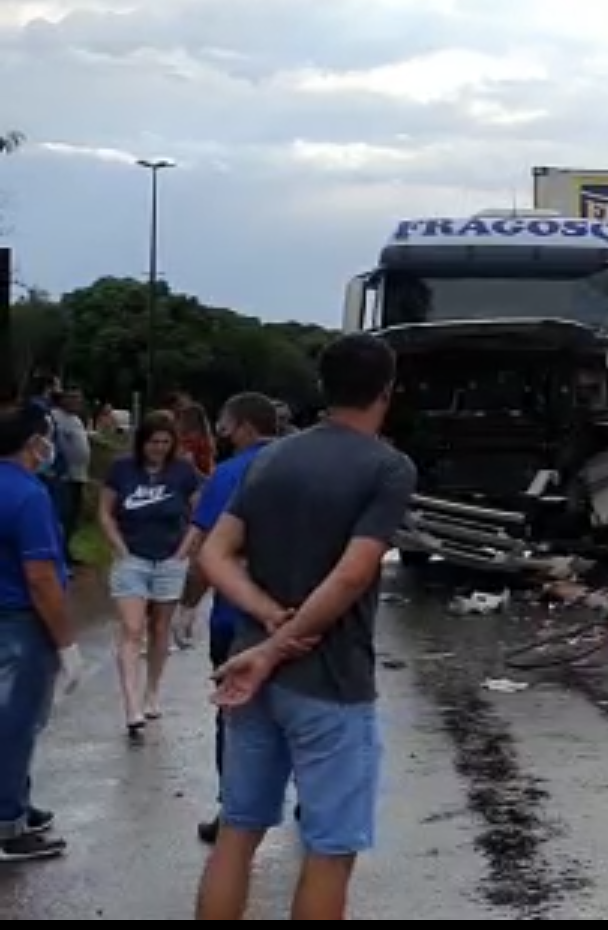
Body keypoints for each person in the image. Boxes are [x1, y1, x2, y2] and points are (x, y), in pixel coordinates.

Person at [194, 334, 417, 921]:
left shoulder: (269, 458)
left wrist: (265, 619)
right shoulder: (388, 467)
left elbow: (214, 554)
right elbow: (351, 576)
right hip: (329, 682)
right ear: (387, 392)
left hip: (249, 678)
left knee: (237, 833)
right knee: (329, 849)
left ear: (323, 388)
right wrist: (277, 644)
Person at [174, 393, 280, 845]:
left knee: (234, 714)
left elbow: (205, 547)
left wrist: (186, 604)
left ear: (241, 427)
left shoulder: (232, 473)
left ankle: (233, 811)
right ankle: (309, 804)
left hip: (237, 619)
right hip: (305, 615)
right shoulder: (306, 468)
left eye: (224, 422)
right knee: (305, 710)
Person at [0, 403, 83, 862]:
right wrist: (67, 642)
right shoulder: (29, 496)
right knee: (17, 722)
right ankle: (7, 824)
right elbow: (42, 577)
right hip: (19, 619)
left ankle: (16, 801)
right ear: (35, 442)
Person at [98, 413, 200, 737]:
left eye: (165, 442)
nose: (158, 448)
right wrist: (119, 547)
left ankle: (152, 691)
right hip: (133, 558)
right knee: (132, 627)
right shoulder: (122, 470)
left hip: (170, 558)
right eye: (153, 442)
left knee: (160, 628)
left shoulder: (183, 473)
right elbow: (105, 510)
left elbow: (200, 514)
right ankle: (131, 704)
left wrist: (184, 551)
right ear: (142, 441)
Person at [49, 389, 91, 556]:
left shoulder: (76, 420)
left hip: (79, 474)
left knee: (73, 516)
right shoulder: (54, 417)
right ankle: (57, 552)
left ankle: (66, 551)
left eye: (79, 399)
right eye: (72, 397)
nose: (76, 402)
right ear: (63, 399)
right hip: (63, 476)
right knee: (62, 515)